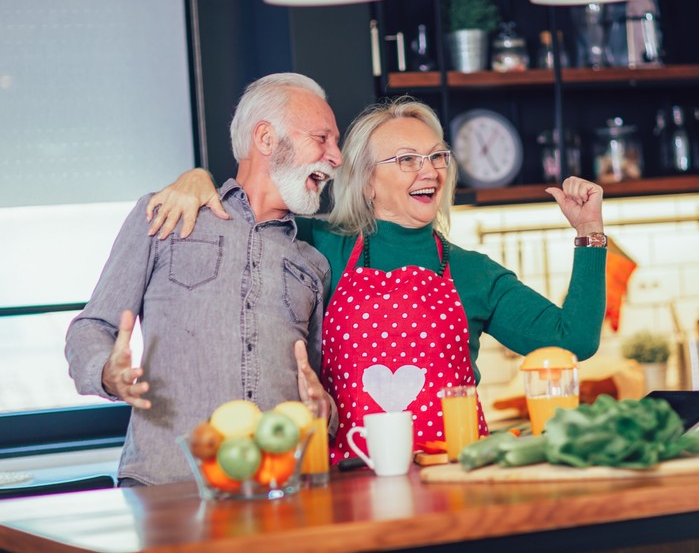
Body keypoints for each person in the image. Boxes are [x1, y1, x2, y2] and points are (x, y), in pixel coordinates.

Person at [147, 97, 607, 463]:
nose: (429, 170)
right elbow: (252, 204)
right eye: (406, 159)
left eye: (435, 156)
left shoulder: (472, 271)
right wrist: (197, 177)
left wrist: (589, 234)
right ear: (367, 181)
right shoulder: (319, 245)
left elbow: (574, 341)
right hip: (347, 481)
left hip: (455, 480)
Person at [65, 73, 343, 485]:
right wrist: (107, 371)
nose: (336, 157)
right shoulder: (167, 214)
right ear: (265, 139)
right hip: (165, 487)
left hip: (279, 491)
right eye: (322, 138)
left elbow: (315, 381)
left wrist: (327, 413)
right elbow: (92, 326)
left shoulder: (312, 262)